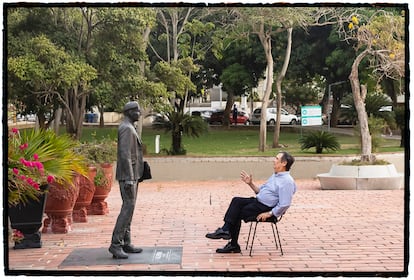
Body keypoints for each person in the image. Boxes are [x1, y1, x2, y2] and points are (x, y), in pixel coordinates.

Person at [206, 151, 296, 253]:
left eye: (276, 158)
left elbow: (285, 204)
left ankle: (231, 241)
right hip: (257, 202)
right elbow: (259, 191)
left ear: (284, 163)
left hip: (265, 208)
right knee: (236, 201)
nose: (273, 160)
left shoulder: (287, 181)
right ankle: (226, 231)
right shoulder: (276, 176)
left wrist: (270, 213)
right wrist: (250, 183)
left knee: (236, 213)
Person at [109, 101, 144, 259]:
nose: (140, 113)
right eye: (137, 110)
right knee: (127, 209)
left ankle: (126, 242)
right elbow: (125, 155)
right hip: (127, 176)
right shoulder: (126, 128)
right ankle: (115, 244)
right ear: (129, 112)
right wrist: (130, 178)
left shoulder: (129, 127)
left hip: (132, 174)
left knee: (130, 209)